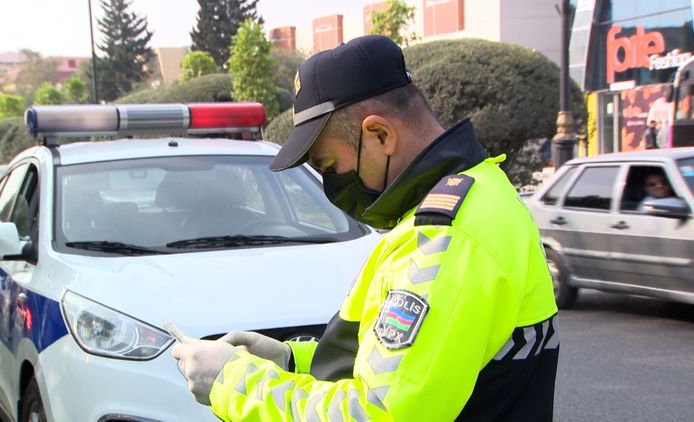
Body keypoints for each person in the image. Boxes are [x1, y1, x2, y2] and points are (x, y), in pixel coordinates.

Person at [171, 35, 559, 421]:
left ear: (380, 135)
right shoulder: (479, 192)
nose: (331, 183)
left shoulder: (446, 239)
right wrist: (291, 360)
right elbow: (405, 365)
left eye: (328, 165)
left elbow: (374, 412)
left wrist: (233, 382)